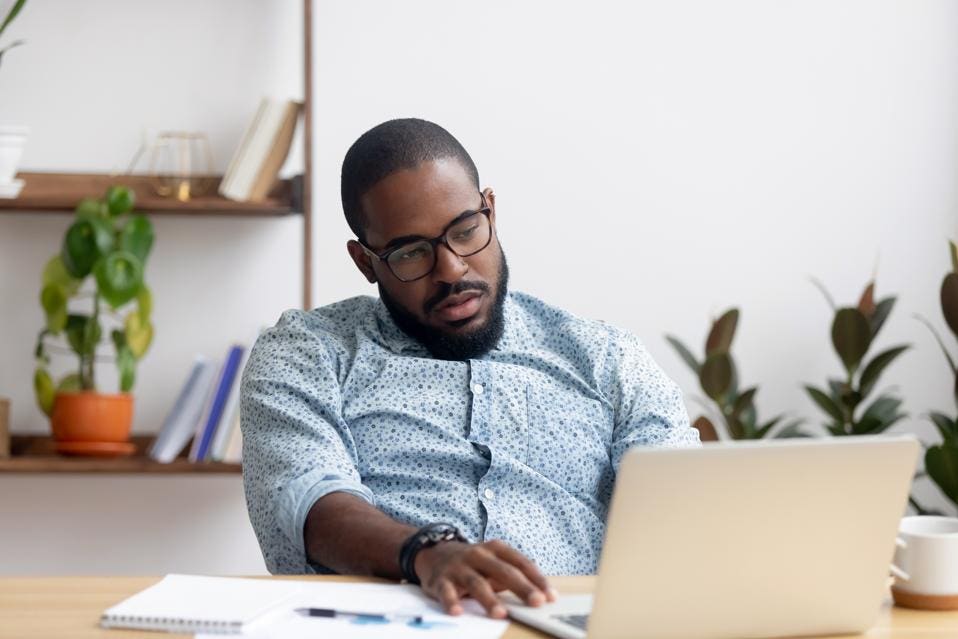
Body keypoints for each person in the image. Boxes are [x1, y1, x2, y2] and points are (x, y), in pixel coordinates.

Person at [240, 118, 700, 619]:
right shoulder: (308, 353)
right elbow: (309, 497)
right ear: (365, 261)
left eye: (465, 231)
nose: (452, 269)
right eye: (411, 252)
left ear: (491, 212)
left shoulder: (607, 357)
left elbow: (679, 500)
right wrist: (427, 553)